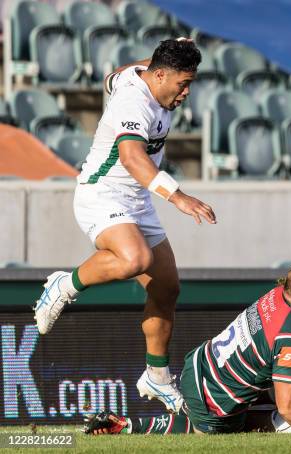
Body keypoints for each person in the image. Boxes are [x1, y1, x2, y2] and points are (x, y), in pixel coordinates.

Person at [33, 39, 216, 413]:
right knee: (134, 259)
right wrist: (178, 196)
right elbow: (133, 158)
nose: (186, 92)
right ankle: (63, 285)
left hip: (137, 201)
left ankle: (157, 375)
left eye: (191, 83)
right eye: (183, 83)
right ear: (160, 75)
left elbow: (114, 75)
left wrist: (174, 51)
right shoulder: (133, 101)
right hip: (102, 194)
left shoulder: (138, 75)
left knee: (167, 287)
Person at [84, 257, 291, 435]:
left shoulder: (278, 296)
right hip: (212, 400)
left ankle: (139, 419)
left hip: (198, 364)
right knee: (260, 424)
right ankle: (145, 423)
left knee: (273, 395)